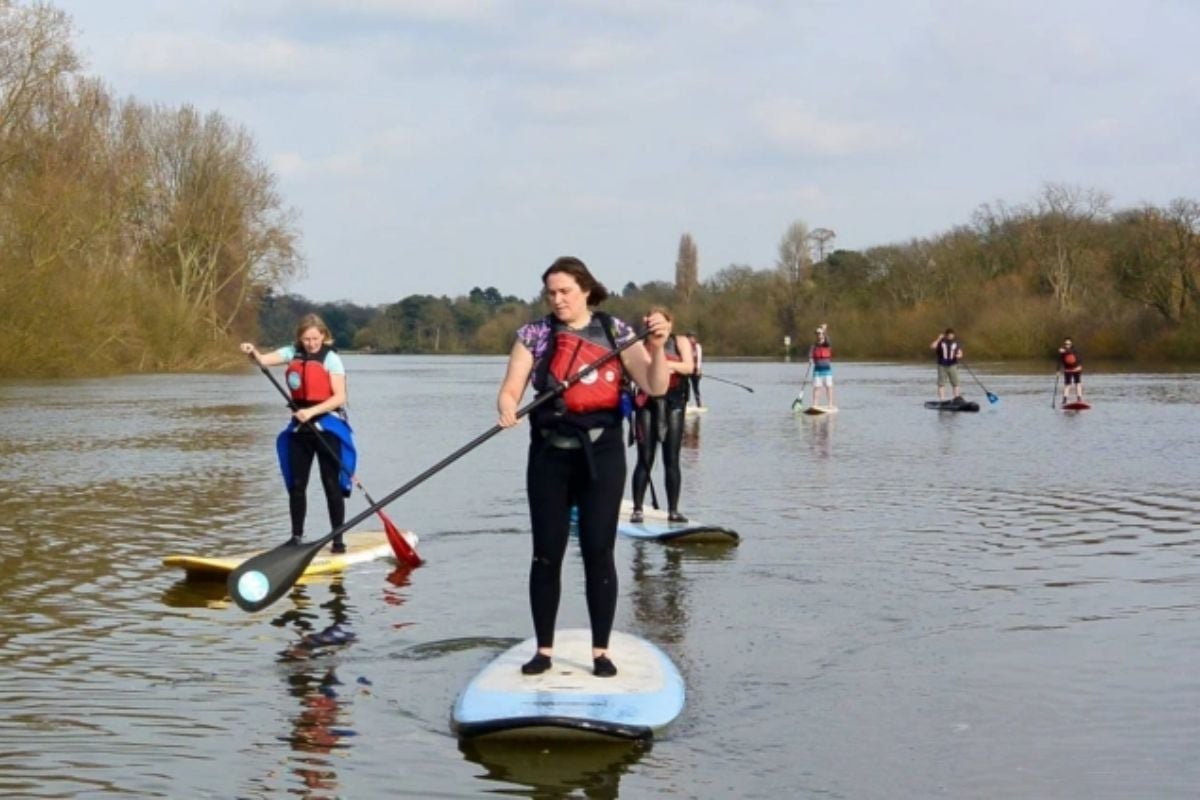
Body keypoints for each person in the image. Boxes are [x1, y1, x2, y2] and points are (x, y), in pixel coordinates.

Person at [496, 256, 670, 679]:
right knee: (546, 554)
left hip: (602, 453)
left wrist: (659, 347)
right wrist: (507, 410)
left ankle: (601, 651)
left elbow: (655, 385)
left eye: (565, 292)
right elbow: (510, 389)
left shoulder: (616, 332)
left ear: (586, 290)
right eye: (551, 293)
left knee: (598, 551)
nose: (557, 300)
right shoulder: (534, 335)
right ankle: (543, 649)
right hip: (549, 455)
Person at [240, 314, 354, 554]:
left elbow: (340, 396)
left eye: (315, 338)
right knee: (297, 484)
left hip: (327, 426)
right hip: (300, 428)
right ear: (300, 338)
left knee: (330, 484)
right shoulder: (292, 352)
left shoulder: (331, 359)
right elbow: (262, 361)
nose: (311, 343)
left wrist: (311, 410)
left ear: (323, 335)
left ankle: (338, 540)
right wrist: (252, 352)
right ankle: (296, 537)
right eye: (306, 339)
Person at [630, 308, 695, 525]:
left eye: (661, 323)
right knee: (645, 457)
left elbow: (689, 367)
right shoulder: (640, 343)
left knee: (672, 459)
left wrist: (666, 365)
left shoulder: (680, 341)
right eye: (652, 322)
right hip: (647, 403)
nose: (657, 327)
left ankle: (673, 510)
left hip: (674, 402)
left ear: (669, 324)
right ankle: (637, 509)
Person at [930, 328, 963, 402]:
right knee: (941, 383)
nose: (950, 337)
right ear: (946, 335)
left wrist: (959, 355)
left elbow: (960, 353)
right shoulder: (941, 342)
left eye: (952, 335)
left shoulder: (956, 343)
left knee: (955, 383)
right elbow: (932, 346)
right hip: (942, 365)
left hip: (953, 365)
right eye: (949, 335)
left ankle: (956, 398)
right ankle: (942, 400)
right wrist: (938, 339)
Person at [809, 323, 834, 408]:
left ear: (823, 334)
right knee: (817, 387)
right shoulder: (814, 346)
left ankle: (830, 404)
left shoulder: (827, 343)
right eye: (817, 334)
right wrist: (810, 359)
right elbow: (810, 354)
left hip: (827, 369)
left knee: (828, 386)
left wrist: (824, 330)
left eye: (820, 333)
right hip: (817, 369)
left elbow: (827, 339)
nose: (818, 335)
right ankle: (815, 404)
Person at [1058, 337, 1085, 404]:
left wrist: (1080, 366)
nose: (1067, 345)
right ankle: (1064, 400)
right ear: (1064, 344)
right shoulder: (1062, 352)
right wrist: (1058, 371)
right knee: (1067, 385)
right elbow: (1060, 361)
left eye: (1069, 344)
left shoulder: (1074, 349)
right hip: (1067, 369)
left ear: (1071, 344)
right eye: (1066, 344)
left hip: (1076, 368)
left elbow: (1073, 353)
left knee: (1078, 383)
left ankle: (1079, 399)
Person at [685, 331, 703, 408]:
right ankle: (684, 404)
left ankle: (699, 404)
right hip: (687, 370)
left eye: (692, 337)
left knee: (696, 388)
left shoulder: (697, 346)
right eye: (689, 337)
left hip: (695, 371)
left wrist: (698, 369)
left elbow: (699, 358)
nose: (690, 339)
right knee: (685, 387)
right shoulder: (684, 346)